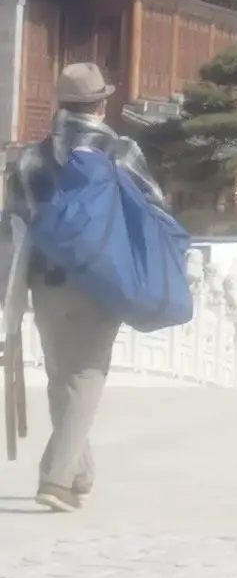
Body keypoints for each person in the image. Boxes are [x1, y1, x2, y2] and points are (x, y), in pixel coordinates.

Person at [1, 63, 169, 513]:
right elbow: (155, 204)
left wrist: (9, 289)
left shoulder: (31, 157)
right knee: (87, 376)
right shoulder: (120, 150)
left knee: (62, 377)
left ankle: (79, 475)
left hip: (45, 281)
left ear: (60, 103)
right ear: (101, 104)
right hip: (100, 280)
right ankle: (56, 479)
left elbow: (12, 222)